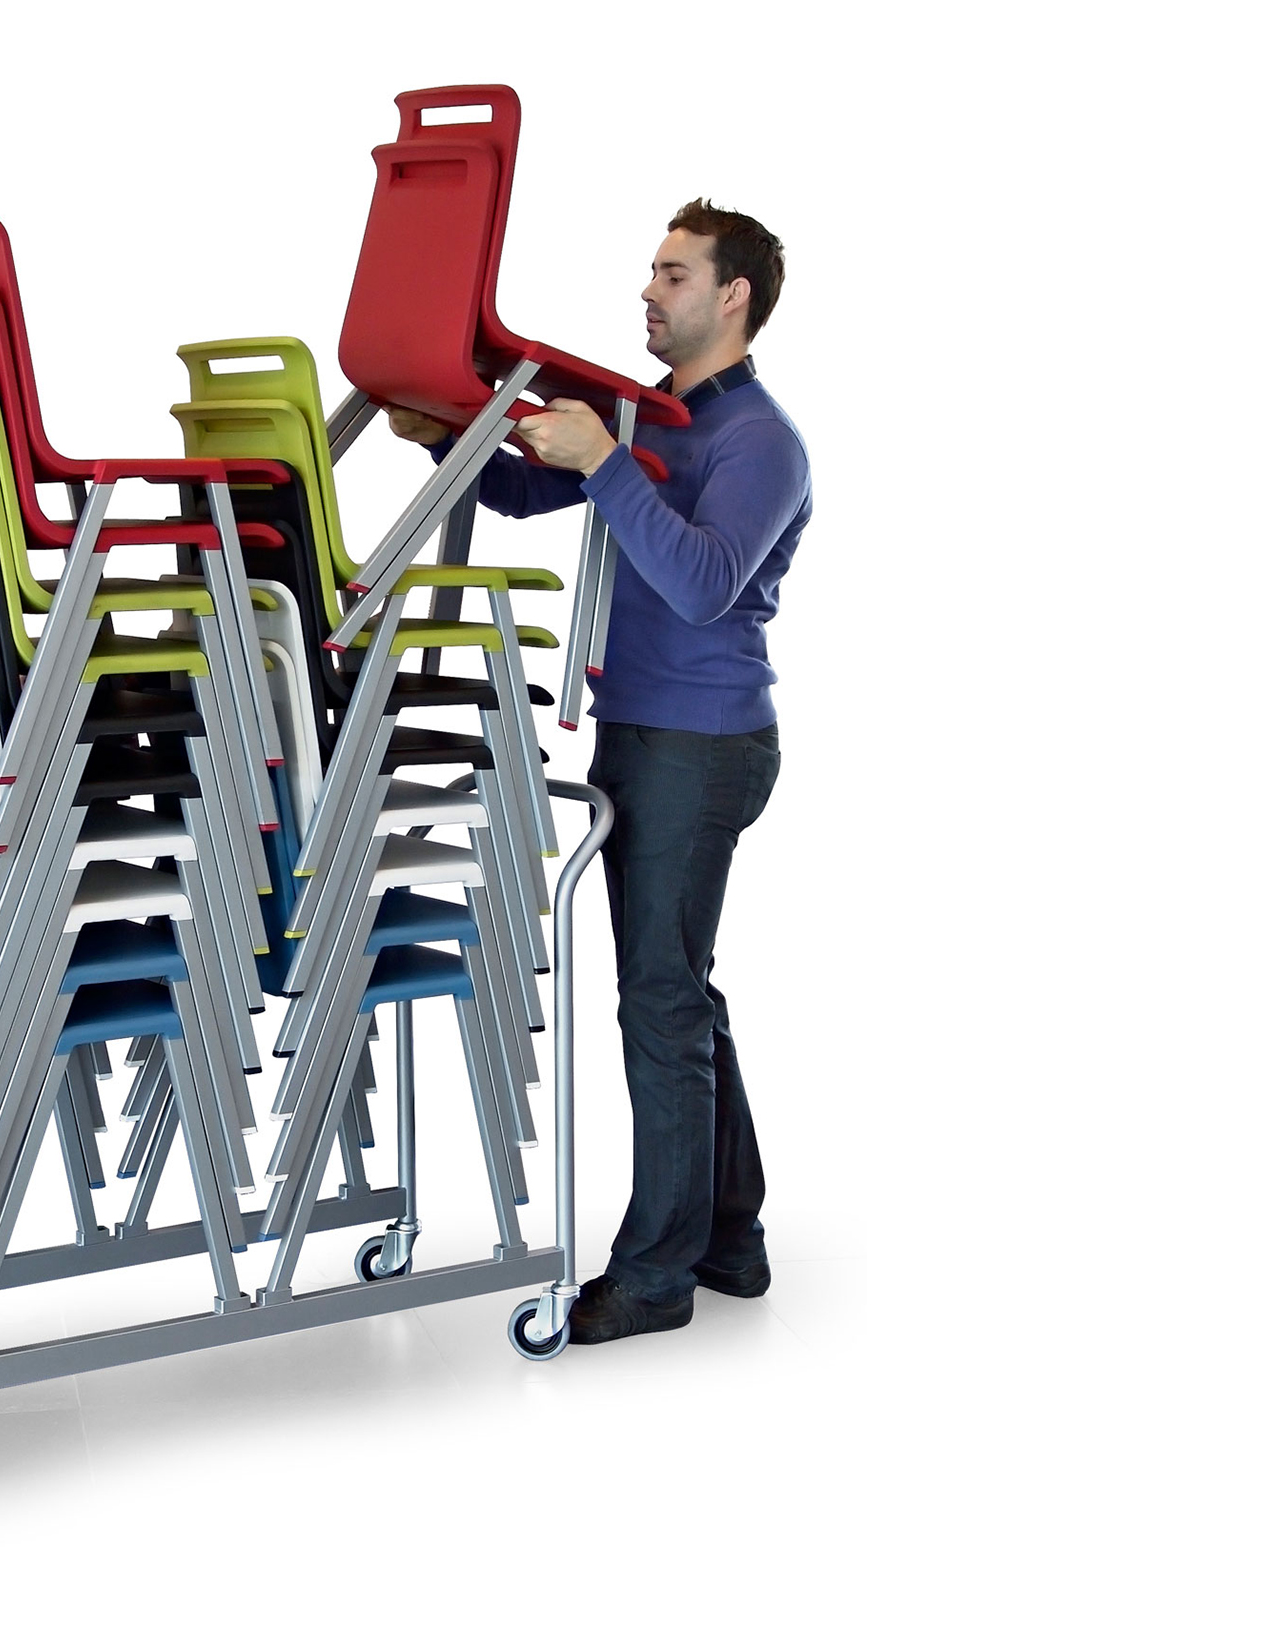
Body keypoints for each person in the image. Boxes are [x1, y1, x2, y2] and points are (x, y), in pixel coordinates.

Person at [386, 199, 810, 1344]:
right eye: (651, 271)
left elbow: (705, 584)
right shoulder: (650, 414)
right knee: (680, 990)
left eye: (673, 274)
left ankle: (656, 1276)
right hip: (643, 730)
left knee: (658, 998)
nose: (647, 292)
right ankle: (728, 1237)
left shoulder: (758, 439)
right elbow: (522, 490)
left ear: (732, 296)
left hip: (702, 743)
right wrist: (440, 433)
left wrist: (611, 462)